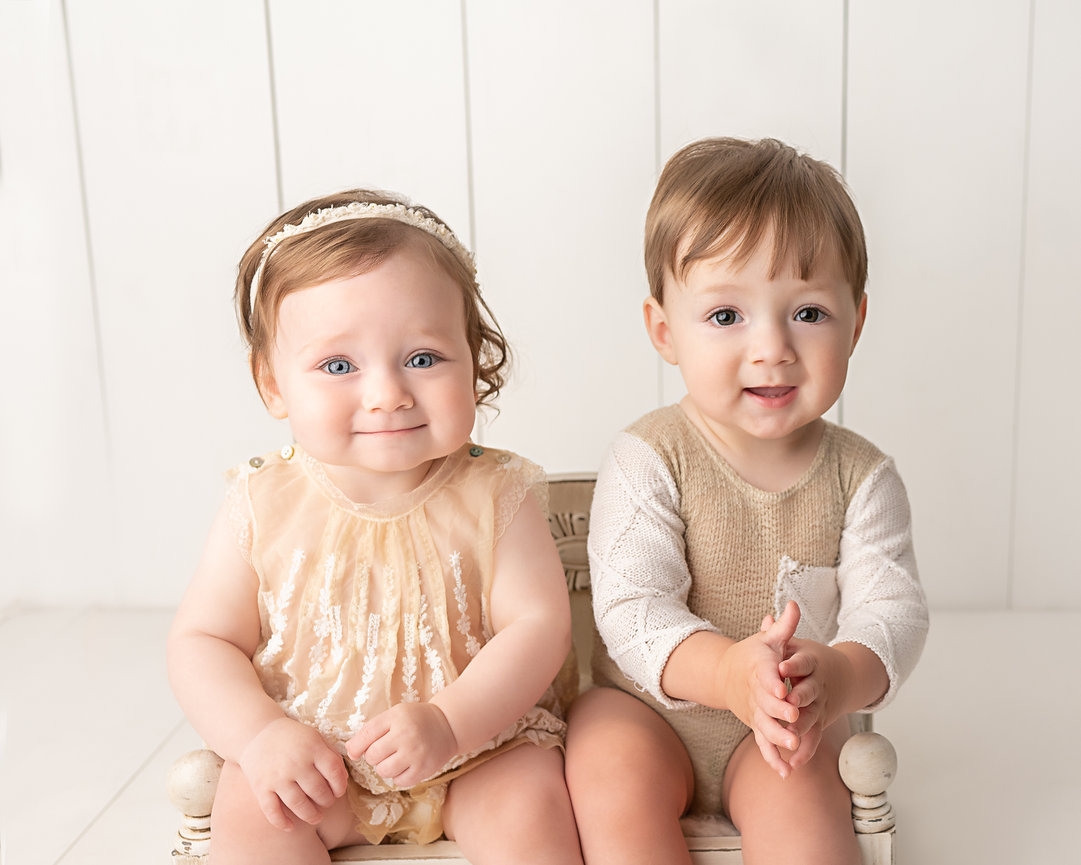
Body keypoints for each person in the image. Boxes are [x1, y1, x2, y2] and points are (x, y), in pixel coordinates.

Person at [167, 190, 583, 865]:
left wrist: (450, 722)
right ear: (272, 383)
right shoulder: (260, 500)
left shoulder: (495, 491)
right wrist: (259, 736)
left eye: (422, 358)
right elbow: (202, 640)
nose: (387, 392)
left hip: (480, 750)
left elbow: (536, 627)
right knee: (252, 813)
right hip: (313, 754)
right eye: (339, 366)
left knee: (529, 813)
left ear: (473, 362)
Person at [564, 137, 929, 865]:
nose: (770, 348)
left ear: (854, 323)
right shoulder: (647, 457)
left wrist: (837, 673)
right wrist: (729, 671)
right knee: (606, 771)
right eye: (726, 316)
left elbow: (891, 612)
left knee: (804, 814)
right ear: (665, 331)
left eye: (807, 314)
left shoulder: (861, 476)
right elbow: (631, 611)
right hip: (648, 711)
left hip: (783, 723)